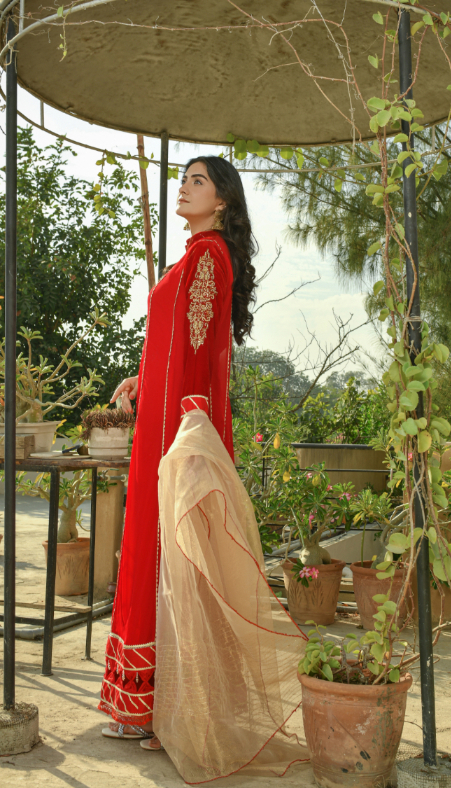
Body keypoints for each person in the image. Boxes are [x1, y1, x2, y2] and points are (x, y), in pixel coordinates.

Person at [99, 156, 308, 782]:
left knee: (170, 554)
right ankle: (160, 707)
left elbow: (200, 355)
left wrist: (188, 431)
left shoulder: (209, 256)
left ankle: (173, 710)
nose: (184, 188)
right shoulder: (193, 257)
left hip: (175, 432)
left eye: (198, 181)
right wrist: (142, 381)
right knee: (157, 552)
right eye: (183, 179)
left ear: (222, 201)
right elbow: (173, 347)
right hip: (160, 424)